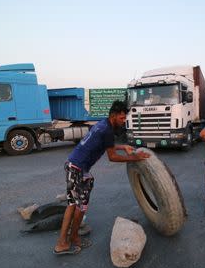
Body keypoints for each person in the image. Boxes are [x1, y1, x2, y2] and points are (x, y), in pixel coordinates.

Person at [53, 100, 150, 255]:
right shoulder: (107, 131)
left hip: (73, 165)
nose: (123, 121)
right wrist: (136, 158)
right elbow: (112, 157)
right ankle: (68, 240)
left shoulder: (103, 125)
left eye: (125, 119)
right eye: (121, 118)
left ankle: (66, 240)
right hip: (78, 169)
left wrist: (123, 146)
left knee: (73, 205)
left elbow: (105, 145)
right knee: (80, 206)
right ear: (113, 116)